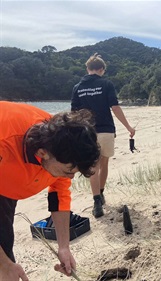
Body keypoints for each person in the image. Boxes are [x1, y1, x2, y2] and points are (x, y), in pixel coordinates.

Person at [0, 101, 100, 281]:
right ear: (42, 153)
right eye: (68, 172)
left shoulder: (62, 141)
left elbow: (59, 195)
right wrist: (4, 265)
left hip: (8, 181)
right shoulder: (4, 143)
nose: (70, 178)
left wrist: (64, 247)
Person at [71, 53, 136, 218]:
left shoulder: (78, 87)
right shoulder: (106, 84)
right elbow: (114, 107)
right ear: (102, 70)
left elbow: (73, 113)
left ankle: (96, 202)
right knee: (104, 162)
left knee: (93, 167)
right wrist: (128, 126)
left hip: (87, 131)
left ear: (87, 69)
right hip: (106, 130)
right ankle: (101, 193)